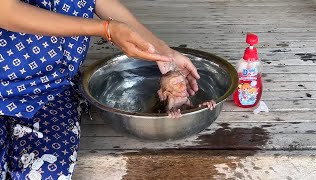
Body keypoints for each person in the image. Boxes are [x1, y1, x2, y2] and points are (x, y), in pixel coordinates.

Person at [0, 0, 200, 179]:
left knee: (48, 169)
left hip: (53, 87)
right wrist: (106, 29)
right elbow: (5, 10)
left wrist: (160, 49)